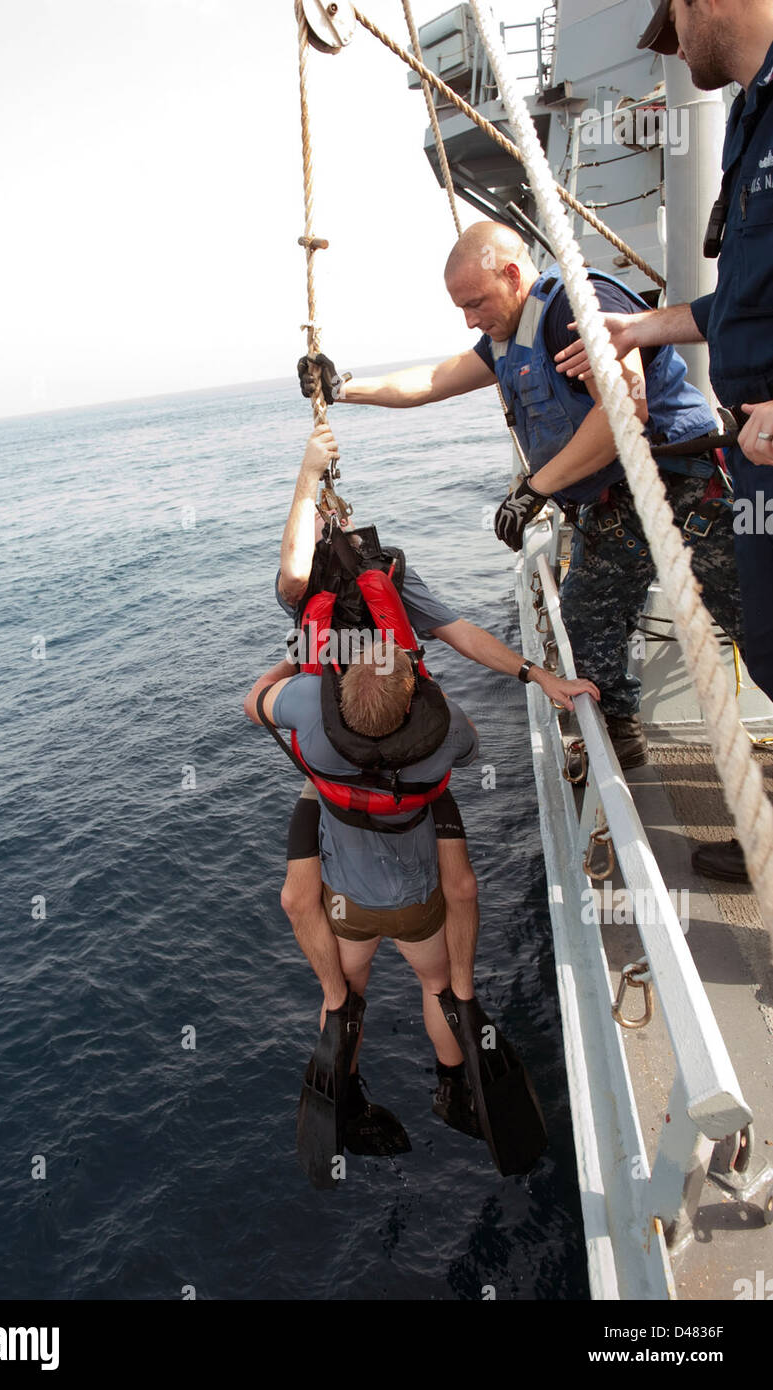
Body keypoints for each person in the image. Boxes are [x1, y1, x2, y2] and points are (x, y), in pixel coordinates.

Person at [303, 220, 746, 775]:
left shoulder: (577, 306)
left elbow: (624, 413)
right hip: (612, 506)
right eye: (461, 308)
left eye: (475, 302)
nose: (470, 319)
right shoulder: (508, 333)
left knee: (754, 619)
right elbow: (438, 379)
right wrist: (342, 387)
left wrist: (534, 489)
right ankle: (620, 736)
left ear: (513, 275)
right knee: (587, 625)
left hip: (677, 488)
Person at [243, 421, 598, 1019]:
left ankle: (339, 1005)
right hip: (416, 760)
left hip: (331, 768)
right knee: (455, 892)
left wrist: (306, 479)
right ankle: (459, 1001)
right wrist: (538, 677)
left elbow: (290, 587)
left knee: (303, 899)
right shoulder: (398, 593)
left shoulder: (306, 621)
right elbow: (465, 642)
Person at [555, 0, 773, 882]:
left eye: (676, 26)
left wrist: (534, 488)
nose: (677, 53)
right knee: (765, 647)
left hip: (735, 457)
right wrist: (646, 329)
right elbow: (742, 305)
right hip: (751, 457)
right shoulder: (750, 120)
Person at [254, 641, 546, 1186]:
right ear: (411, 701)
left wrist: (296, 660)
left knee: (345, 998)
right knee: (438, 987)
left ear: (340, 696)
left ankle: (353, 1099)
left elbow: (253, 704)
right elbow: (470, 754)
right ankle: (453, 1087)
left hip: (349, 910)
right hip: (416, 906)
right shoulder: (444, 734)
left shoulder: (306, 711)